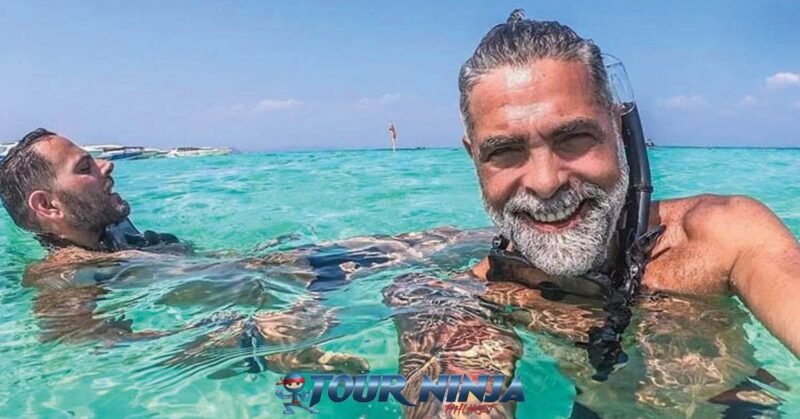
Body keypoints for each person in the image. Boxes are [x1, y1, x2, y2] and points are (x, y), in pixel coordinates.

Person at [384, 10, 798, 418]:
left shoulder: (719, 235)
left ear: (619, 131)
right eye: (505, 151)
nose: (546, 183)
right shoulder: (473, 298)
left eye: (574, 138)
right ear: (474, 158)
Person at [0, 128, 368, 377]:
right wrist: (251, 342)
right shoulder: (64, 278)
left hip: (285, 272)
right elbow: (106, 364)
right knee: (413, 274)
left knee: (415, 247)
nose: (106, 165)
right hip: (284, 301)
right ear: (48, 206)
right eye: (85, 167)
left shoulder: (105, 232)